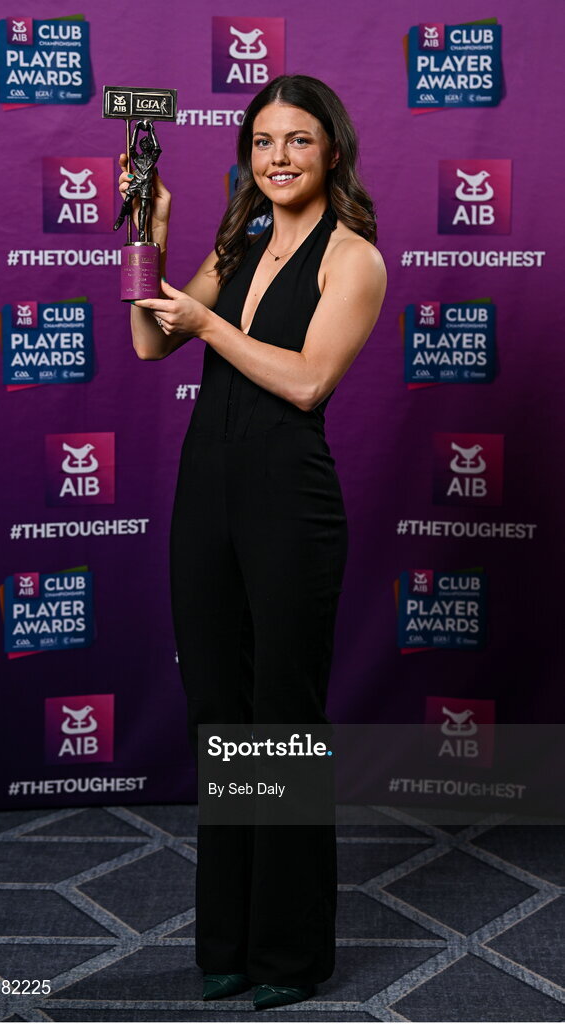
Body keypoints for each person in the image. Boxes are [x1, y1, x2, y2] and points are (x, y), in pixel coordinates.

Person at [119, 74, 386, 1009]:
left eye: (299, 140)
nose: (279, 157)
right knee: (221, 720)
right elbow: (151, 344)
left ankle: (289, 953)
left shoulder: (352, 257)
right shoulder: (237, 243)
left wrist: (209, 323)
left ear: (332, 151)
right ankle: (227, 942)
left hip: (289, 505)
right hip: (207, 498)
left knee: (281, 722)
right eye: (264, 141)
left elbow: (309, 382)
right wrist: (149, 234)